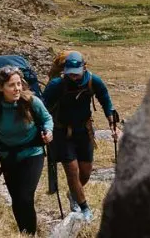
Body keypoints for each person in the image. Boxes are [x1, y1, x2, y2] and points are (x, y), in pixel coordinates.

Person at [0, 65, 54, 235]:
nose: (17, 89)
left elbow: (47, 119)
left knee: (25, 197)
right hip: (8, 156)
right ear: (1, 88)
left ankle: (30, 234)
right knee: (17, 199)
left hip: (32, 153)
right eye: (11, 85)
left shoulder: (31, 101)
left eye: (19, 84)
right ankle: (24, 232)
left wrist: (48, 132)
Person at [42, 50, 116, 222]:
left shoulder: (92, 81)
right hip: (62, 132)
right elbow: (43, 107)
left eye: (76, 74)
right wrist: (44, 128)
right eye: (70, 74)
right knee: (72, 171)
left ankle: (73, 194)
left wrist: (112, 122)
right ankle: (84, 208)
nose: (73, 77)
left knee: (86, 172)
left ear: (84, 68)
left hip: (84, 132)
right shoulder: (56, 84)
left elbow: (105, 99)